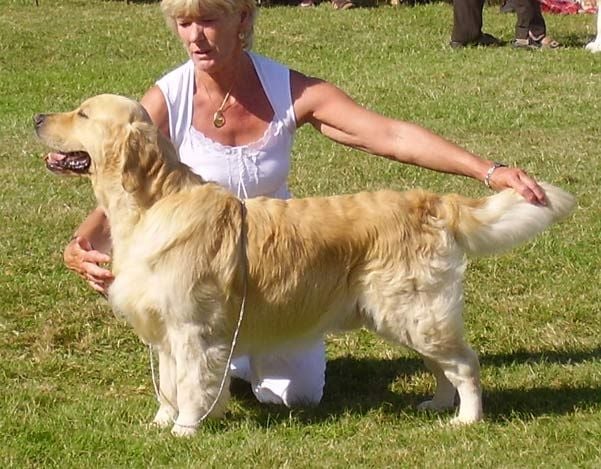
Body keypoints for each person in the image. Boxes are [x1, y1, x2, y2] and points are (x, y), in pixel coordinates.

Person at [64, 0, 547, 409]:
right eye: (184, 23)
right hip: (199, 275)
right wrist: (84, 240)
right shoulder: (165, 98)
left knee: (296, 396)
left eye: (208, 20)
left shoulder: (287, 88)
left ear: (242, 20)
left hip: (284, 262)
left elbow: (389, 135)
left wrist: (488, 171)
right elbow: (130, 179)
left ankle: (241, 357)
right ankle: (224, 363)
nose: (195, 36)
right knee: (195, 335)